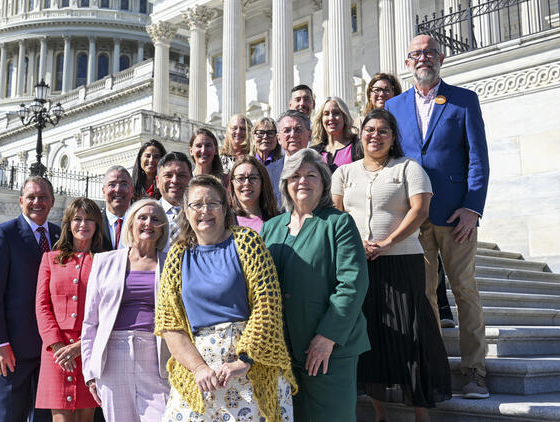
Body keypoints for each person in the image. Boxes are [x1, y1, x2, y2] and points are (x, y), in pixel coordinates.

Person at [385, 34, 490, 399]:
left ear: (441, 58)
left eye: (430, 52)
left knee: (464, 290)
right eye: (416, 54)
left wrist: (473, 207)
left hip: (456, 215)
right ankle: (435, 368)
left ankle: (475, 371)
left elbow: (478, 157)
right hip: (414, 215)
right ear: (407, 62)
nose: (423, 58)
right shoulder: (394, 106)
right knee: (424, 294)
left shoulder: (463, 100)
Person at [331, 109, 451, 422]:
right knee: (371, 335)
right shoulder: (344, 173)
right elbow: (337, 216)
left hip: (402, 262)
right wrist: (358, 244)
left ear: (393, 137)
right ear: (361, 134)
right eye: (370, 130)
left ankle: (421, 413)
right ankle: (380, 413)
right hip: (359, 264)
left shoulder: (409, 167)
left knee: (411, 335)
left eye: (383, 130)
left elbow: (420, 210)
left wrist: (387, 242)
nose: (376, 136)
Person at [155, 175, 296, 422]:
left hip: (250, 364)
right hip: (198, 371)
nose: (205, 211)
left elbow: (267, 305)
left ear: (224, 208)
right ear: (186, 210)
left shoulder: (247, 243)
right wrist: (198, 368)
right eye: (197, 204)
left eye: (212, 203)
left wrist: (245, 361)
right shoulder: (178, 254)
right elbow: (170, 324)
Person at [261, 149, 368, 421]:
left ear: (323, 182)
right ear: (285, 183)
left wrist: (328, 336)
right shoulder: (271, 228)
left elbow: (352, 284)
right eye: (295, 176)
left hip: (328, 351)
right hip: (282, 352)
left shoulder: (339, 223)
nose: (302, 181)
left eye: (311, 175)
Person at [364, 75, 454, 326]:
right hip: (380, 200)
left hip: (413, 193)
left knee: (430, 259)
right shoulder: (364, 124)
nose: (381, 94)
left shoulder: (406, 118)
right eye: (375, 89)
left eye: (387, 89)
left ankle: (442, 306)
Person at [81, 199, 171, 422]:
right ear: (131, 224)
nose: (148, 223)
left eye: (155, 219)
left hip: (157, 355)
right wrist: (90, 371)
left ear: (162, 228)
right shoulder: (104, 261)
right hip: (113, 355)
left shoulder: (171, 263)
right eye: (142, 217)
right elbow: (90, 321)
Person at [0, 176, 59, 422]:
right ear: (20, 201)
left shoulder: (59, 235)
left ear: (52, 201)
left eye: (43, 197)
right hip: (13, 349)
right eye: (31, 197)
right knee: (9, 416)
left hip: (49, 348)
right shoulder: (3, 234)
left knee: (44, 417)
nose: (37, 202)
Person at [35, 198, 107, 421]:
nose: (83, 224)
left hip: (90, 348)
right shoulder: (50, 259)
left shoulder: (105, 261)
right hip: (56, 351)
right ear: (69, 223)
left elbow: (109, 309)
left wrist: (82, 346)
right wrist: (57, 345)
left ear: (97, 225)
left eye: (89, 220)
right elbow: (42, 305)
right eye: (77, 219)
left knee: (86, 418)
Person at [267, 110, 311, 206]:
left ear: (309, 135)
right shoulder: (268, 172)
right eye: (287, 130)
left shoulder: (322, 169)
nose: (293, 135)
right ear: (279, 138)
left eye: (298, 130)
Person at [310, 96, 363, 173]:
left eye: (336, 113)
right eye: (326, 114)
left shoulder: (358, 147)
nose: (331, 118)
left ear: (344, 117)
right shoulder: (314, 152)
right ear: (321, 119)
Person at [227, 155, 279, 232]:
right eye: (240, 178)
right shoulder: (224, 221)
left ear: (262, 183)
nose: (247, 183)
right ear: (232, 184)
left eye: (253, 178)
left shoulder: (278, 221)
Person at [156, 152, 193, 245]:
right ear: (157, 181)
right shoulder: (145, 215)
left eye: (181, 175)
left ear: (191, 179)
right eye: (168, 175)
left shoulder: (201, 213)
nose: (175, 180)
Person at [101, 165, 134, 251]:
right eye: (112, 185)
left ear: (131, 190)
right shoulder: (94, 223)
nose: (118, 189)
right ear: (103, 191)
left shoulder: (139, 223)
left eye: (124, 184)